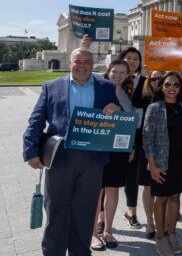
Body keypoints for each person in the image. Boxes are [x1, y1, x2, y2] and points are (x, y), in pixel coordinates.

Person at [23, 47, 120, 256]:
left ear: (93, 65)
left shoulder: (106, 87)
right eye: (78, 61)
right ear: (70, 63)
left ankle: (80, 252)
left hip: (93, 159)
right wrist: (30, 151)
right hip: (60, 157)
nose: (82, 66)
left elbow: (117, 117)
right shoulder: (52, 86)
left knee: (84, 212)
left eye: (87, 62)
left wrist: (116, 111)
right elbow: (36, 120)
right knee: (56, 210)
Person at [143, 72, 182, 256]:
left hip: (180, 159)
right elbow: (147, 138)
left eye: (176, 85)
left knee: (175, 197)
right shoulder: (154, 107)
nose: (172, 88)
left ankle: (172, 233)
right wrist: (152, 165)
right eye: (168, 84)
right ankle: (160, 237)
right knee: (161, 199)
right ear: (161, 87)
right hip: (161, 160)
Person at [91, 60, 136, 250]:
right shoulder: (98, 89)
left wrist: (132, 146)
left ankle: (108, 230)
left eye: (122, 72)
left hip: (119, 147)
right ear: (108, 72)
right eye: (115, 71)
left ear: (127, 74)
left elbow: (131, 121)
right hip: (99, 145)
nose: (118, 75)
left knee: (113, 189)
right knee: (96, 190)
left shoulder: (128, 94)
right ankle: (93, 234)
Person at [131, 67, 163, 238]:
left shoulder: (170, 96)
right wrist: (143, 76)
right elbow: (135, 100)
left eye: (160, 78)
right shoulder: (145, 98)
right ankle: (150, 222)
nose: (157, 81)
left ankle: (161, 220)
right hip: (147, 146)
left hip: (165, 146)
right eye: (153, 79)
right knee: (148, 186)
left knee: (163, 185)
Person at [118, 47, 145, 231]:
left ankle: (131, 211)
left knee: (132, 176)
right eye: (128, 58)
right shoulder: (115, 80)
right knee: (109, 177)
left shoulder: (142, 80)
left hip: (139, 131)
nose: (132, 61)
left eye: (136, 58)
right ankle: (101, 216)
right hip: (119, 130)